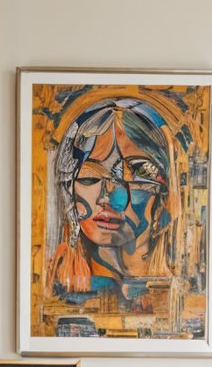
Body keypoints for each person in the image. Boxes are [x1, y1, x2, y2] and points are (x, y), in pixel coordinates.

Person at [49, 95, 181, 302]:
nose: (106, 198)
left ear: (165, 193)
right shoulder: (58, 287)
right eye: (89, 177)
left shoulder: (182, 291)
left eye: (137, 175)